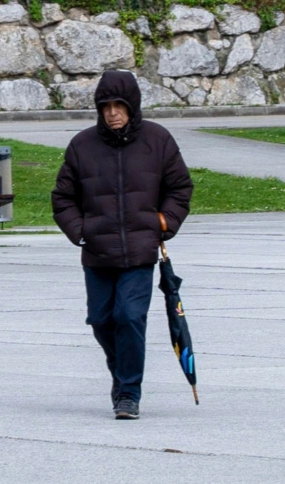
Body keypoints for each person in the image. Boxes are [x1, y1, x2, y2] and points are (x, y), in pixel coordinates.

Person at [51, 71, 193, 420]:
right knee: (101, 320)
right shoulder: (82, 145)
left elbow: (180, 188)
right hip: (97, 251)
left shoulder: (158, 140)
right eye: (106, 106)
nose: (113, 113)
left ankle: (128, 393)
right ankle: (122, 372)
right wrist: (80, 231)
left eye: (119, 105)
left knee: (129, 317)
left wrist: (164, 222)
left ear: (133, 106)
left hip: (140, 251)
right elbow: (63, 198)